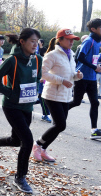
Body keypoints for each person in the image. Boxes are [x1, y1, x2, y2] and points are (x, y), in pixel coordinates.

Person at [0, 28, 43, 194]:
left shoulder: (38, 59)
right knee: (28, 141)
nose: (35, 45)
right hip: (11, 106)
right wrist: (10, 93)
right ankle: (20, 177)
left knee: (17, 141)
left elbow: (37, 79)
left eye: (37, 42)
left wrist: (35, 92)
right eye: (32, 41)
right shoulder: (12, 60)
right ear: (22, 42)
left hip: (27, 106)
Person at [32, 29, 83, 163]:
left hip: (65, 95)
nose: (72, 42)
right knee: (60, 125)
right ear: (60, 40)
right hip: (52, 94)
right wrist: (61, 80)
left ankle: (43, 149)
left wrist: (77, 77)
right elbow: (42, 74)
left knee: (59, 126)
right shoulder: (52, 55)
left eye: (73, 39)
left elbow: (70, 75)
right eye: (69, 39)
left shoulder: (71, 55)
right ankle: (37, 145)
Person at [69, 18, 101, 140]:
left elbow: (93, 58)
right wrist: (94, 67)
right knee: (76, 102)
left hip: (91, 77)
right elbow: (80, 57)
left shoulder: (97, 42)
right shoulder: (89, 41)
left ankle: (94, 130)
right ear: (93, 29)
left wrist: (98, 67)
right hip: (82, 77)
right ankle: (59, 114)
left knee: (95, 102)